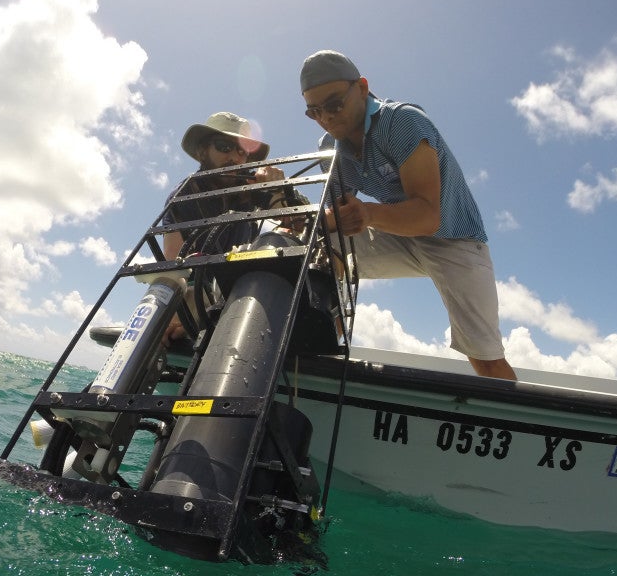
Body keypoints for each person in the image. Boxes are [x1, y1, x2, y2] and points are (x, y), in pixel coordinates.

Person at [299, 51, 517, 381]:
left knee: (486, 361)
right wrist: (298, 217)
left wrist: (367, 214)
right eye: (314, 111)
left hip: (454, 239)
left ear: (361, 88)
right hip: (398, 234)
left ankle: (515, 426)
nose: (326, 118)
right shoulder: (330, 145)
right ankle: (321, 348)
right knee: (322, 249)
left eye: (333, 105)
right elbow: (336, 217)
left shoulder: (401, 121)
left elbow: (428, 216)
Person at [162, 111, 287, 343]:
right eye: (224, 147)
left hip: (243, 289)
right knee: (180, 293)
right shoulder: (183, 195)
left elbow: (293, 222)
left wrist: (278, 189)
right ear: (202, 151)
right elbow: (174, 264)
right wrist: (184, 312)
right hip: (198, 288)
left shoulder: (253, 185)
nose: (235, 158)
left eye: (242, 151)